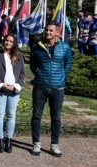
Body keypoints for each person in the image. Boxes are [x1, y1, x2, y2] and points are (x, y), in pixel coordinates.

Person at [29, 22, 73, 157]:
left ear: (57, 32)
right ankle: (36, 143)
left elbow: (68, 64)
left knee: (56, 117)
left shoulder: (65, 48)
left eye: (51, 31)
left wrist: (61, 76)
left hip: (57, 88)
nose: (48, 32)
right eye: (46, 30)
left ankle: (54, 145)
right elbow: (32, 65)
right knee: (37, 116)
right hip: (40, 86)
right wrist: (40, 75)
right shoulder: (37, 47)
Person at [0, 33, 25, 153]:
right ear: (3, 41)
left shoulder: (19, 55)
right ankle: (0, 139)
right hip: (0, 90)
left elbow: (22, 74)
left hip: (14, 90)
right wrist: (1, 84)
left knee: (11, 115)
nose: (8, 43)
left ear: (14, 43)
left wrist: (16, 85)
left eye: (11, 41)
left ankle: (9, 139)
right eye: (7, 40)